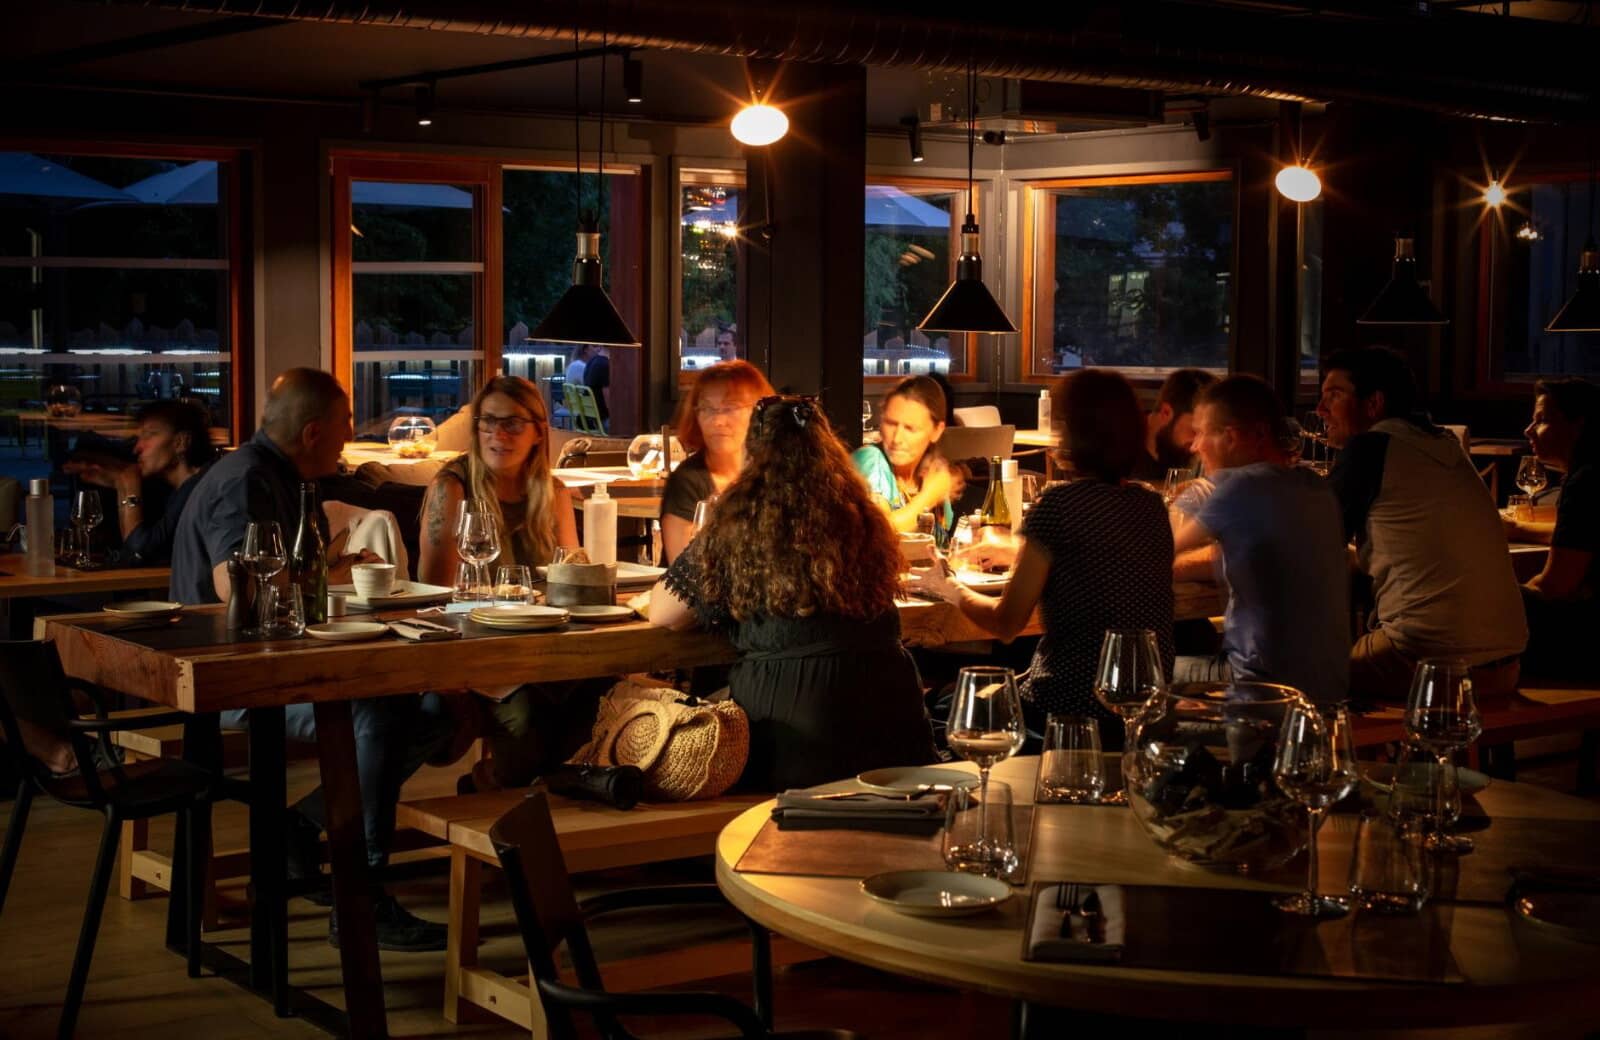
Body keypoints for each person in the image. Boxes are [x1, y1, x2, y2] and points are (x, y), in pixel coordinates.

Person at [169, 368, 449, 952]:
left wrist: (334, 574)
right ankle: (361, 896)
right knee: (380, 715)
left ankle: (303, 824)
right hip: (235, 680)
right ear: (314, 431)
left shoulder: (287, 477)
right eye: (345, 427)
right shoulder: (244, 480)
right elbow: (233, 588)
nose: (349, 439)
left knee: (434, 707)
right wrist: (328, 574)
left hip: (290, 662)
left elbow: (303, 587)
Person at [648, 395, 937, 790]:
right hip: (891, 717)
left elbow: (663, 614)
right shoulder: (864, 517)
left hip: (793, 729)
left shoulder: (739, 523)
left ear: (753, 454)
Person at [909, 369, 1174, 749]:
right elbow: (1099, 557)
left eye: (1063, 424)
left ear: (1078, 434)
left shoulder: (1058, 505)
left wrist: (946, 587)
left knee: (942, 709)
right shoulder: (1150, 506)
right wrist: (1018, 549)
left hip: (1068, 709)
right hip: (1142, 710)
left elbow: (1005, 624)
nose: (1057, 434)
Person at [1317, 346, 1526, 701]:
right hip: (1504, 664)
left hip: (1428, 664)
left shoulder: (1372, 447)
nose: (1320, 410)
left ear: (1374, 404)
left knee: (1298, 677)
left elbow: (1307, 541)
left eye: (1334, 396)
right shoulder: (1441, 442)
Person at [418, 375, 595, 791]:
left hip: (544, 648)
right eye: (487, 421)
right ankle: (496, 791)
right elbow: (437, 597)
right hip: (478, 654)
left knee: (603, 693)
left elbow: (570, 579)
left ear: (538, 433)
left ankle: (559, 813)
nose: (498, 434)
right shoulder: (452, 488)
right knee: (528, 716)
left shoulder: (553, 491)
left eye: (513, 423)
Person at [1172, 375, 1350, 705]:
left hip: (1263, 696)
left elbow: (1156, 554)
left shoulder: (1239, 487)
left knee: (1139, 675)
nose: (1195, 446)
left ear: (1239, 437)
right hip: (1329, 689)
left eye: (1204, 433)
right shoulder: (1315, 488)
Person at [1505, 377, 1600, 679]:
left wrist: (1505, 597)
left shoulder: (1586, 484)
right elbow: (1582, 539)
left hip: (1586, 633)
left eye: (1542, 421)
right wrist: (1519, 529)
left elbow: (1555, 586)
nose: (1528, 431)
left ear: (1578, 425)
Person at [64, 399, 217, 564]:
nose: (137, 448)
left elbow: (138, 554)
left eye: (149, 435)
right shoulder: (177, 490)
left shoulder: (197, 490)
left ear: (181, 442)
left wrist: (129, 485)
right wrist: (120, 483)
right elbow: (129, 550)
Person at [659, 360, 774, 566]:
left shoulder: (775, 474)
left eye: (730, 408)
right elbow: (684, 571)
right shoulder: (687, 481)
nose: (717, 421)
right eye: (708, 409)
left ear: (760, 412)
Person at [851, 375, 958, 535]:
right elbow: (879, 533)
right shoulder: (870, 461)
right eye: (891, 423)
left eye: (910, 428)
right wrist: (929, 496)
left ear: (937, 431)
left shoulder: (932, 470)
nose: (897, 438)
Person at [1130, 368, 1217, 484]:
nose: (1199, 445)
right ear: (1166, 412)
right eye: (1196, 430)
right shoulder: (1120, 451)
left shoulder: (1199, 456)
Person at [584, 345, 612, 427]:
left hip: (594, 417)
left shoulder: (591, 361)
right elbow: (607, 397)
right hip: (604, 420)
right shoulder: (605, 364)